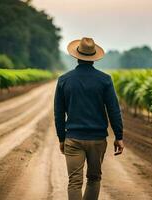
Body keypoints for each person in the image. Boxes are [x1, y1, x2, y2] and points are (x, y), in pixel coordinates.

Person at [54, 37, 124, 200]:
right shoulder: (105, 80)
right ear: (94, 57)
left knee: (74, 182)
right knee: (94, 179)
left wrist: (61, 138)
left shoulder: (64, 80)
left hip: (73, 138)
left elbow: (59, 112)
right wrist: (119, 136)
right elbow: (113, 110)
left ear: (77, 56)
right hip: (98, 139)